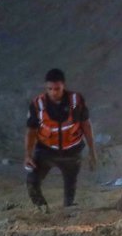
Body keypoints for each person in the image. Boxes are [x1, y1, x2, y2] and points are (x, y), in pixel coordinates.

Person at [24, 68, 98, 212]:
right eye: (49, 89)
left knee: (70, 186)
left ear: (63, 86)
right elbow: (31, 130)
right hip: (46, 150)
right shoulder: (38, 105)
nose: (53, 92)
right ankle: (42, 210)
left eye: (57, 89)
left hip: (72, 151)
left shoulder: (75, 102)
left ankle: (68, 210)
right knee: (32, 181)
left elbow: (86, 125)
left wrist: (92, 150)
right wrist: (27, 154)